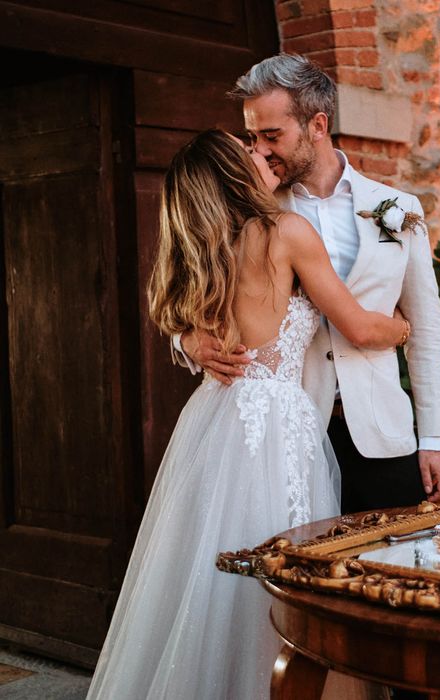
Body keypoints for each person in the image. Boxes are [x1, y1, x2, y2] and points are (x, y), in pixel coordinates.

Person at [86, 130, 403, 700]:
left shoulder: (200, 247)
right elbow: (357, 326)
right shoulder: (285, 232)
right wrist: (407, 325)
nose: (263, 153)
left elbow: (174, 322)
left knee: (208, 563)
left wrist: (187, 343)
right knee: (282, 569)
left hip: (215, 418)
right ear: (235, 172)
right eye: (249, 150)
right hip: (278, 425)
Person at [173, 54, 440, 513]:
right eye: (252, 137)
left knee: (393, 566)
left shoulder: (398, 207)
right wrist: (188, 343)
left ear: (317, 125)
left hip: (382, 435)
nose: (259, 151)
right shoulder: (251, 210)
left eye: (271, 136)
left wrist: (435, 438)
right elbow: (189, 289)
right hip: (286, 437)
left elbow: (426, 330)